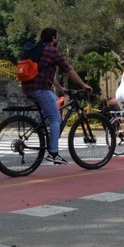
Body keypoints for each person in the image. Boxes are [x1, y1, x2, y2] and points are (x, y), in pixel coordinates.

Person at [21, 27, 93, 164]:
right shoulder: (51, 50)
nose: (57, 38)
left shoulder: (37, 49)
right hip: (40, 89)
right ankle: (53, 153)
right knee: (56, 119)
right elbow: (69, 70)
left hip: (28, 88)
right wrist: (83, 85)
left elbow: (44, 73)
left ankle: (42, 125)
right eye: (57, 36)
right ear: (53, 38)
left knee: (54, 99)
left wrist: (60, 88)